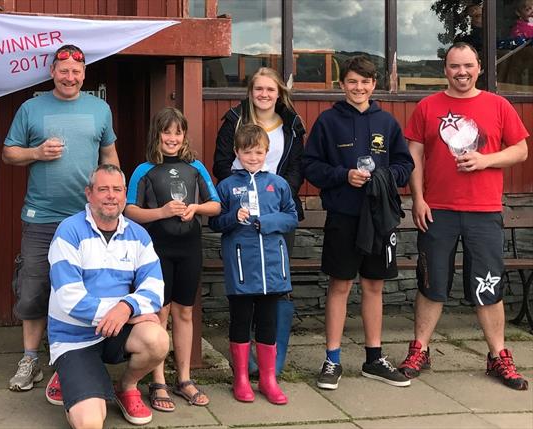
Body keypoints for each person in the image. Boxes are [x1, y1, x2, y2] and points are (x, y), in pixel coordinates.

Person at [398, 42, 529, 391]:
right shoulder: (428, 107)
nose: (462, 72)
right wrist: (418, 199)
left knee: (488, 286)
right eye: (455, 66)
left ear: (479, 68)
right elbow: (414, 155)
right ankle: (420, 350)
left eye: (468, 65)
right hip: (438, 211)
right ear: (445, 69)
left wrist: (486, 160)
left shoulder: (498, 105)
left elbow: (521, 149)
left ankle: (498, 355)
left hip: (484, 212)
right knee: (431, 284)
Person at [2, 44, 119, 400]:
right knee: (34, 288)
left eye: (76, 72)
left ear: (84, 75)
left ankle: (78, 358)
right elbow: (8, 153)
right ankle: (30, 358)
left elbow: (109, 155)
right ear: (52, 71)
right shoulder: (31, 108)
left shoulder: (100, 109)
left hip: (87, 218)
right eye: (64, 70)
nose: (70, 77)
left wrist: (116, 196)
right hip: (41, 217)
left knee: (85, 290)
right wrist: (36, 153)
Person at [302, 56, 414, 391]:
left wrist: (385, 176)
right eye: (352, 82)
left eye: (365, 82)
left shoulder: (388, 122)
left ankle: (373, 359)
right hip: (344, 216)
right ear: (342, 84)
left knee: (374, 285)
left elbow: (404, 163)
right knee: (339, 285)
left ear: (373, 85)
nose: (359, 88)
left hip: (379, 217)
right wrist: (342, 175)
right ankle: (332, 359)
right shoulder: (328, 122)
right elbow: (310, 166)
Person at [48, 164, 168, 427]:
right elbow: (70, 298)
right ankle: (67, 373)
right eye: (103, 189)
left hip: (114, 332)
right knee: (90, 423)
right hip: (74, 338)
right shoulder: (68, 232)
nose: (111, 196)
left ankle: (126, 386)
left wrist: (127, 307)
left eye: (116, 189)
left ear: (125, 194)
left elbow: (155, 287)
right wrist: (124, 312)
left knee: (157, 339)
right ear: (89, 194)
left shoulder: (138, 235)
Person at [125, 107, 221, 411]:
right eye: (167, 131)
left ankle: (183, 378)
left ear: (183, 135)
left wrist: (196, 209)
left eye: (178, 132)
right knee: (160, 314)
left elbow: (216, 204)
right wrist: (162, 212)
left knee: (185, 313)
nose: (172, 138)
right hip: (157, 250)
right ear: (158, 134)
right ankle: (158, 381)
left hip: (189, 247)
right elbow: (130, 210)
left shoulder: (195, 167)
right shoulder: (145, 169)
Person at [210, 124, 297, 404]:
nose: (253, 157)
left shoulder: (278, 184)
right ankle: (241, 378)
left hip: (272, 268)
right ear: (237, 152)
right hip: (242, 269)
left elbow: (292, 217)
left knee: (268, 323)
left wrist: (266, 222)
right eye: (247, 152)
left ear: (267, 152)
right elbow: (215, 222)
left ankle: (268, 379)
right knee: (240, 322)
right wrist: (234, 216)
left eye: (259, 152)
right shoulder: (226, 186)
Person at [213, 67, 306, 240]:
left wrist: (279, 195)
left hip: (276, 207)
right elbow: (221, 164)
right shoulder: (235, 121)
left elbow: (297, 168)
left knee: (277, 264)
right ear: (250, 92)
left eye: (270, 89)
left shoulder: (292, 126)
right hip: (240, 208)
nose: (264, 94)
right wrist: (239, 195)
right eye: (259, 89)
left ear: (279, 93)